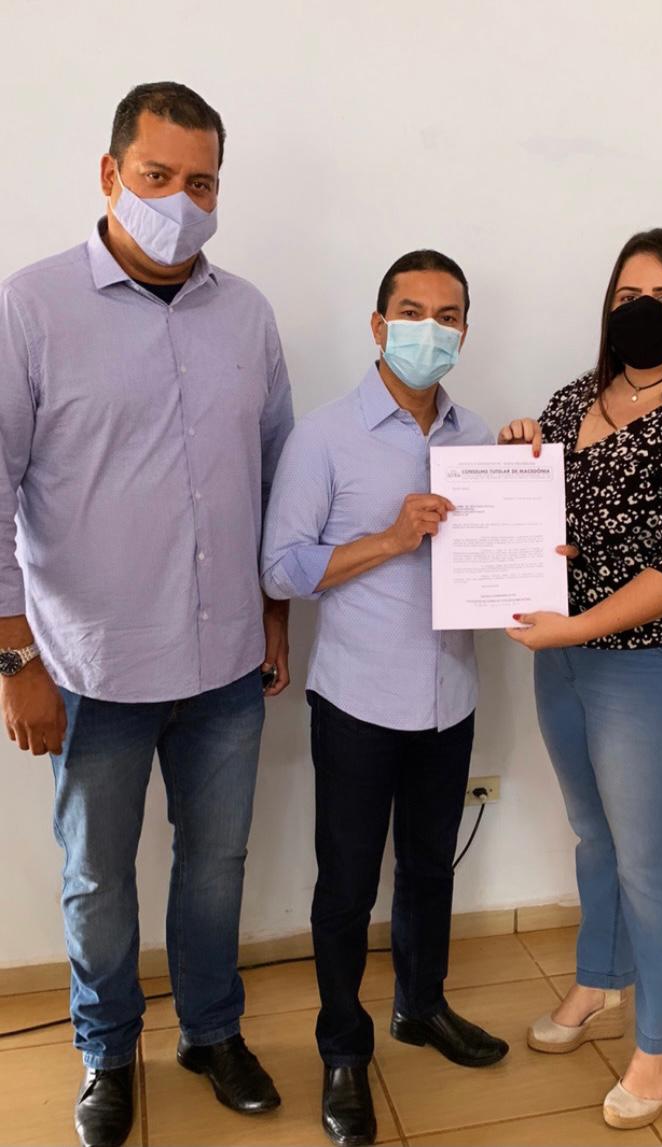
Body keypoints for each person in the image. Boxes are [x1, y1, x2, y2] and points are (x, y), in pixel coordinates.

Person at [0, 82, 294, 1147]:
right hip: (91, 670)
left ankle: (211, 1032)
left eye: (201, 182)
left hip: (224, 664)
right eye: (157, 175)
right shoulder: (31, 308)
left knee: (216, 866)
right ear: (109, 172)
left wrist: (274, 615)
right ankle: (107, 1047)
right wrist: (13, 661)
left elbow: (276, 476)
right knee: (96, 878)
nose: (180, 200)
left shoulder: (246, 313)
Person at [500, 228, 662, 1130]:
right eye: (626, 297)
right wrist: (519, 452)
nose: (642, 311)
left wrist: (576, 623)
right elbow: (544, 515)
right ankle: (602, 978)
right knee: (595, 833)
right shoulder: (577, 397)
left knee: (656, 857)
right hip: (568, 657)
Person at [261, 250, 508, 1147]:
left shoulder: (480, 439)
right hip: (358, 700)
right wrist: (391, 537)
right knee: (347, 884)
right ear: (378, 325)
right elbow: (279, 568)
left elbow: (503, 553)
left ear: (465, 331)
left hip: (450, 695)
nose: (429, 330)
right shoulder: (324, 436)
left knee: (431, 866)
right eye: (411, 311)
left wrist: (532, 532)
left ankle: (420, 1005)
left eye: (448, 315)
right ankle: (342, 1048)